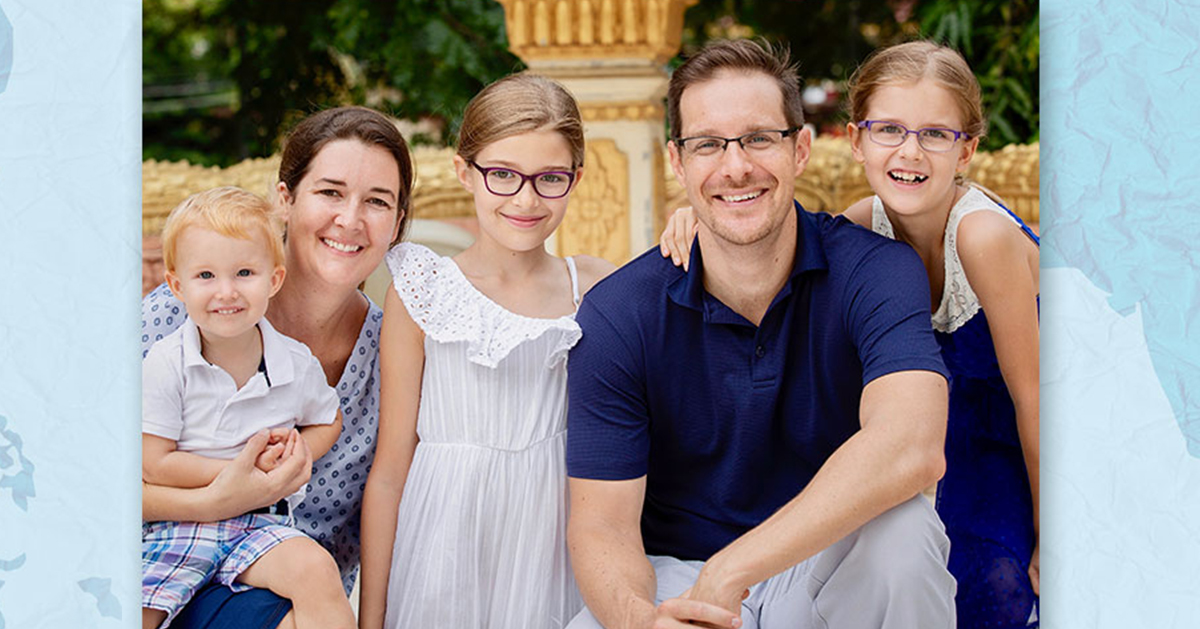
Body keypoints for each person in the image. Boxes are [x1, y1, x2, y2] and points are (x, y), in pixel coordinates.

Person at [565, 38, 956, 629]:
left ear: (800, 148)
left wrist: (733, 570)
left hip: (821, 561)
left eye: (757, 138)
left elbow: (912, 445)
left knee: (905, 532)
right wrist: (642, 621)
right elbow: (602, 524)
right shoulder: (619, 313)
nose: (735, 166)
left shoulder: (876, 270)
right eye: (708, 145)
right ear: (678, 161)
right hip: (678, 576)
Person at [140, 106, 415, 629]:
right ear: (284, 199)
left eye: (377, 202)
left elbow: (395, 494)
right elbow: (79, 481)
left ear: (397, 223)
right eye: (330, 192)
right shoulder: (180, 315)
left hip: (284, 582)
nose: (350, 220)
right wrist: (223, 496)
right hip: (160, 552)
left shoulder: (392, 350)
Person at [358, 72, 614, 629]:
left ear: (576, 178)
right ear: (463, 172)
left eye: (550, 178)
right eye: (502, 175)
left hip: (552, 539)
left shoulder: (595, 289)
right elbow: (389, 471)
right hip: (442, 542)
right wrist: (370, 620)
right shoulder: (423, 291)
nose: (525, 199)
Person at [841, 41, 1040, 627]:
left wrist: (1055, 534)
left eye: (935, 134)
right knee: (889, 574)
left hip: (1026, 442)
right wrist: (692, 224)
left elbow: (1036, 398)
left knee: (993, 582)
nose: (910, 151)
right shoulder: (860, 225)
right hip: (939, 446)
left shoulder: (981, 237)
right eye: (889, 129)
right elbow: (776, 246)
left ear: (968, 150)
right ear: (856, 140)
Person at [141, 187, 353, 629]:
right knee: (134, 610)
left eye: (243, 272)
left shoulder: (294, 363)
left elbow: (328, 418)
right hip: (181, 521)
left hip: (262, 524)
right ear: (176, 285)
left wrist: (298, 452)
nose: (226, 292)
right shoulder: (166, 363)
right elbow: (156, 463)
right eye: (205, 276)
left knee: (315, 569)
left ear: (273, 279)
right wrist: (240, 473)